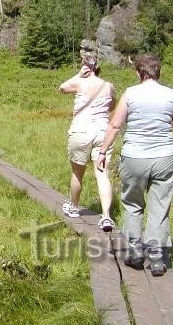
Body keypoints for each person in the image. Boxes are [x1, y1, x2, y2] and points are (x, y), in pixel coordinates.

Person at [97, 53, 173, 277]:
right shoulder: (172, 95)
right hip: (164, 158)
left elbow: (115, 125)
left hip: (134, 157)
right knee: (160, 207)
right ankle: (156, 258)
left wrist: (102, 151)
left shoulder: (130, 93)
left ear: (138, 72)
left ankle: (135, 250)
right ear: (159, 72)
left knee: (133, 203)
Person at [59, 54, 116, 231]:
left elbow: (62, 88)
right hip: (102, 132)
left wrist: (78, 75)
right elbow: (112, 106)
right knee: (102, 173)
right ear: (98, 68)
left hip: (80, 131)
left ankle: (74, 207)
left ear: (85, 67)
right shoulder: (108, 86)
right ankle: (106, 216)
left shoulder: (79, 83)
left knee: (77, 173)